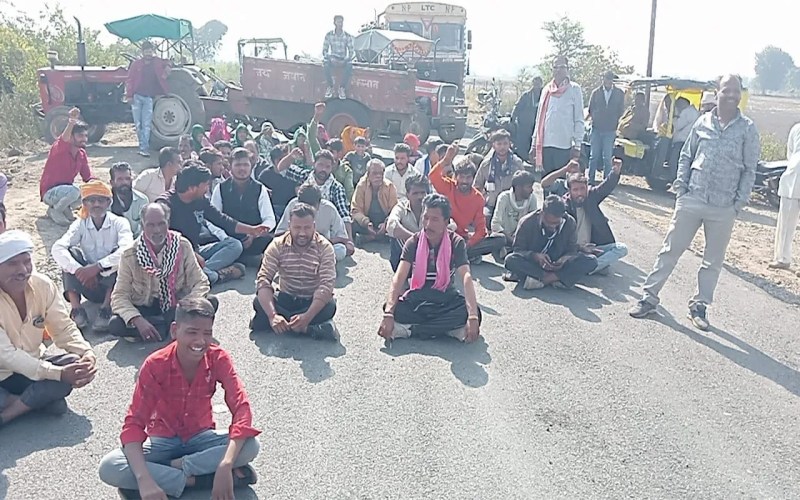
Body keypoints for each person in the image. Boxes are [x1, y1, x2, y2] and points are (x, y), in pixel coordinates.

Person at [630, 75, 760, 330]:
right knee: (670, 250)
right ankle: (649, 298)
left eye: (736, 91)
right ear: (717, 93)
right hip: (693, 198)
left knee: (712, 261)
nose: (731, 95)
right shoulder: (702, 122)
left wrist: (738, 204)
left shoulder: (747, 129)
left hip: (723, 206)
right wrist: (681, 190)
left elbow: (749, 170)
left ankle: (699, 306)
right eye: (726, 90)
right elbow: (686, 156)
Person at [98, 298, 260, 499]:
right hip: (162, 442)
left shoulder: (218, 358)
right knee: (110, 466)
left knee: (250, 445)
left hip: (201, 437)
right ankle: (199, 481)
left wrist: (226, 463)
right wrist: (144, 479)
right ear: (175, 331)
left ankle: (172, 471)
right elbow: (133, 424)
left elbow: (241, 408)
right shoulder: (155, 364)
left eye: (207, 333)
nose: (200, 341)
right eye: (192, 332)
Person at [0, 230, 96, 428]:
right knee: (57, 397)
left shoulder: (42, 285)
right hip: (2, 373)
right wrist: (58, 374)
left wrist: (86, 353)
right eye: (12, 264)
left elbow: (63, 327)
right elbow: (8, 356)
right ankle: (23, 406)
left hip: (33, 364)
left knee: (74, 363)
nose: (22, 270)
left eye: (26, 261)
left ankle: (14, 407)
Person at [378, 194, 481, 342]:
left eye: (435, 219)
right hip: (418, 300)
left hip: (445, 298)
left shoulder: (456, 242)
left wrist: (472, 317)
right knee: (392, 308)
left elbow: (466, 276)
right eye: (425, 218)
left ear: (446, 222)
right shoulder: (413, 242)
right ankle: (446, 330)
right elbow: (399, 277)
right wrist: (388, 314)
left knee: (473, 312)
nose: (428, 224)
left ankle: (412, 331)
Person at [110, 203, 217, 342]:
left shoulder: (182, 245)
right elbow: (119, 296)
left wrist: (185, 307)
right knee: (115, 324)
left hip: (176, 305)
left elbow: (200, 282)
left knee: (210, 302)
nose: (157, 230)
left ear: (168, 223)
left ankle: (165, 329)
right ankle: (170, 329)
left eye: (161, 224)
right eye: (150, 225)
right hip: (145, 307)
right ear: (142, 226)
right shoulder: (129, 254)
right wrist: (137, 319)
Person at [156, 163, 269, 286]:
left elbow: (222, 220)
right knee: (203, 274)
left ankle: (200, 273)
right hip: (174, 255)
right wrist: (191, 255)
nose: (208, 189)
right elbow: (162, 238)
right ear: (192, 188)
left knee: (235, 245)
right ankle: (213, 276)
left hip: (197, 250)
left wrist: (252, 230)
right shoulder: (164, 205)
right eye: (205, 185)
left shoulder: (200, 200)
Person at [52, 180, 134, 332]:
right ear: (84, 203)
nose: (96, 204)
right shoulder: (80, 224)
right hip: (88, 283)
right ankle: (76, 309)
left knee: (120, 255)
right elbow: (57, 248)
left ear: (108, 202)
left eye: (101, 200)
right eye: (91, 200)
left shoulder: (120, 223)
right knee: (70, 254)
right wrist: (80, 271)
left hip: (113, 284)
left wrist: (97, 267)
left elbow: (126, 249)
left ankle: (106, 308)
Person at [252, 203, 339, 340]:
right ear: (289, 226)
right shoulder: (277, 245)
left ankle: (288, 325)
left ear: (314, 226)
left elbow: (326, 286)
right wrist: (273, 315)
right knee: (259, 301)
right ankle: (309, 329)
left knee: (329, 306)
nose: (302, 233)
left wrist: (307, 316)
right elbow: (263, 280)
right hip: (286, 298)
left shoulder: (325, 248)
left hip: (311, 301)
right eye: (297, 228)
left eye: (307, 228)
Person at [543, 159, 628, 275]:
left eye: (582, 189)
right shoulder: (564, 206)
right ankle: (590, 267)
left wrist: (615, 171)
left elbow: (606, 187)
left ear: (587, 188)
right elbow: (560, 241)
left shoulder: (591, 197)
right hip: (573, 251)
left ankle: (589, 268)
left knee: (621, 248)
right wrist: (580, 248)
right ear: (569, 191)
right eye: (575, 190)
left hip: (592, 248)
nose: (579, 193)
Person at [429, 143, 506, 264]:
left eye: (468, 177)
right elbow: (433, 176)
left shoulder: (478, 198)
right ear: (456, 176)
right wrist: (446, 160)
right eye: (461, 177)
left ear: (473, 178)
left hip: (462, 240)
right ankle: (459, 256)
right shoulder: (448, 187)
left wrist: (468, 244)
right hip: (444, 235)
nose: (464, 181)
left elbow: (481, 230)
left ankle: (458, 255)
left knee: (500, 239)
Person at [504, 195, 598, 289]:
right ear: (542, 214)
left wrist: (564, 259)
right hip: (534, 264)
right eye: (549, 223)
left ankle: (545, 279)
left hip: (557, 265)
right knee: (510, 260)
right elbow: (518, 250)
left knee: (591, 260)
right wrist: (535, 256)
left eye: (556, 223)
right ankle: (554, 278)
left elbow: (572, 249)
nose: (553, 227)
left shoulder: (570, 223)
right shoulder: (526, 222)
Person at [210, 148, 276, 266]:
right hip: (227, 238)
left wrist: (254, 234)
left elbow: (269, 219)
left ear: (251, 166)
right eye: (238, 165)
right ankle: (244, 260)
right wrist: (225, 238)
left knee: (272, 241)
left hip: (253, 239)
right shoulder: (220, 188)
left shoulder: (260, 189)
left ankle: (237, 260)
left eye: (245, 165)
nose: (242, 168)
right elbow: (212, 219)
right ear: (230, 167)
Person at [530, 56, 584, 184]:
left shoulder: (574, 89)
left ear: (567, 69)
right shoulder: (546, 90)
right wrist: (534, 144)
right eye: (555, 67)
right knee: (546, 183)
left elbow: (579, 119)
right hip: (545, 145)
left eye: (562, 67)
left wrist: (577, 145)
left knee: (561, 184)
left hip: (564, 146)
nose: (558, 70)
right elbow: (539, 119)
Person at [40, 107, 94, 226]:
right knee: (74, 191)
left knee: (89, 190)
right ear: (71, 137)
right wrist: (72, 121)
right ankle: (56, 210)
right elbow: (63, 139)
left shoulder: (81, 154)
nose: (84, 139)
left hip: (65, 191)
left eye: (85, 136)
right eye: (80, 136)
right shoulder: (59, 149)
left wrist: (99, 186)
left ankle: (64, 208)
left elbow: (88, 177)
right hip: (50, 193)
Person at [276, 184, 354, 262]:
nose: (308, 211)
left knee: (340, 250)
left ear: (319, 203)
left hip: (321, 248)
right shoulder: (292, 205)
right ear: (298, 202)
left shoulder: (329, 208)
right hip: (295, 247)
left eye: (312, 207)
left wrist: (323, 241)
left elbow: (343, 237)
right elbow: (278, 235)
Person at [126, 40, 170, 157]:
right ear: (142, 52)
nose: (148, 54)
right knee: (138, 124)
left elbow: (167, 62)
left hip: (148, 98)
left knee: (146, 124)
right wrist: (129, 95)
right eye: (146, 52)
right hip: (137, 96)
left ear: (153, 52)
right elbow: (130, 79)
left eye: (150, 51)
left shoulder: (157, 62)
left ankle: (144, 148)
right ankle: (142, 145)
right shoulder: (136, 64)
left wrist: (167, 68)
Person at [770, 121, 800, 273]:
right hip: (792, 181)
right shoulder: (796, 128)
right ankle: (782, 258)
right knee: (786, 223)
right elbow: (791, 154)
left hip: (793, 180)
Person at [474, 129, 524, 217]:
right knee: (484, 217)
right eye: (499, 144)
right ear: (493, 145)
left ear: (510, 144)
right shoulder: (486, 164)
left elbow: (524, 185)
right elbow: (477, 186)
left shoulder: (517, 163)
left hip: (511, 205)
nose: (502, 147)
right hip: (491, 205)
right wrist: (484, 198)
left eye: (505, 143)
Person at [587, 71, 625, 184]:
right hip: (596, 129)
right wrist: (596, 117)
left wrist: (613, 120)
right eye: (606, 78)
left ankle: (606, 182)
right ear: (603, 79)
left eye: (610, 79)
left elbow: (621, 110)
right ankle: (590, 180)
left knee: (607, 157)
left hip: (610, 130)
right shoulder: (596, 93)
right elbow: (591, 109)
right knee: (594, 156)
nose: (608, 81)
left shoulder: (619, 93)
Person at [387, 174, 431, 271]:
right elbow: (391, 225)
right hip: (406, 253)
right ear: (407, 195)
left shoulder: (432, 207)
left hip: (428, 250)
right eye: (415, 193)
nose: (420, 197)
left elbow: (451, 225)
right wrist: (416, 240)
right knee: (395, 236)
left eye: (422, 193)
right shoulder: (401, 207)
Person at [490, 170, 538, 256]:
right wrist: (512, 240)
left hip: (522, 238)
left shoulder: (532, 199)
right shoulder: (504, 197)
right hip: (505, 237)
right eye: (528, 187)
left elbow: (534, 224)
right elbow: (495, 224)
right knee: (498, 239)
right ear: (518, 187)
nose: (531, 190)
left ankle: (512, 251)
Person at [351, 159, 398, 243]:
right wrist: (366, 223)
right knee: (352, 223)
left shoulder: (390, 186)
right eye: (375, 173)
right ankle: (378, 237)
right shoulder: (361, 186)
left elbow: (395, 210)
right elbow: (356, 210)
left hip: (384, 221)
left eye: (381, 173)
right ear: (368, 174)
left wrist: (386, 223)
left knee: (398, 224)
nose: (378, 176)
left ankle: (370, 237)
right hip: (367, 221)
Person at [109, 162, 149, 237]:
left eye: (127, 179)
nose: (124, 182)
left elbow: (143, 229)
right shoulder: (106, 201)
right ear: (112, 183)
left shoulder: (142, 200)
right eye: (120, 179)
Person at [322, 14, 354, 99]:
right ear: (334, 23)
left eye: (341, 22)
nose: (340, 24)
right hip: (333, 58)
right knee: (325, 63)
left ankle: (342, 88)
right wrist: (330, 58)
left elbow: (351, 52)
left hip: (343, 59)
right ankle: (330, 86)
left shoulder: (347, 36)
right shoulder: (329, 35)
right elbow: (324, 50)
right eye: (338, 22)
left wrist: (346, 59)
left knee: (349, 65)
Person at [512, 76, 543, 159]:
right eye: (535, 83)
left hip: (538, 126)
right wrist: (513, 118)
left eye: (538, 84)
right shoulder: (526, 95)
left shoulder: (544, 95)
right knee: (522, 145)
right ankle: (521, 160)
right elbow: (517, 107)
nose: (537, 86)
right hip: (524, 125)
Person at [670, 97, 701, 169]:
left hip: (681, 141)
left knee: (674, 163)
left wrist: (674, 117)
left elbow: (678, 125)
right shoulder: (695, 112)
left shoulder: (686, 112)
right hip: (689, 141)